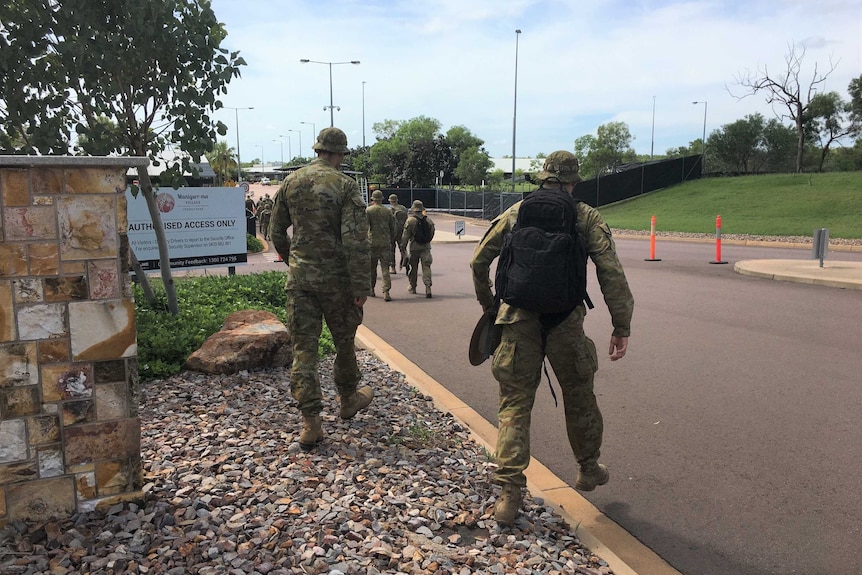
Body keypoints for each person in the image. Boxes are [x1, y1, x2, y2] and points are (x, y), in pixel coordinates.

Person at [469, 150, 634, 525]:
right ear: (574, 181)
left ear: (542, 178)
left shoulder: (516, 212)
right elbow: (611, 273)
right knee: (579, 397)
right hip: (565, 324)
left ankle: (510, 494)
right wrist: (620, 325)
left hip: (516, 323)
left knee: (513, 406)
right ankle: (588, 468)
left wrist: (490, 308)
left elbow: (478, 262)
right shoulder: (585, 216)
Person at [269, 127, 374, 451]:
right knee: (344, 344)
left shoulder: (291, 182)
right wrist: (360, 285)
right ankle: (347, 399)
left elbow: (275, 232)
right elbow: (356, 241)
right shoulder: (344, 186)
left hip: (301, 281)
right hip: (338, 283)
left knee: (304, 351)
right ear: (339, 153)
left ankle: (311, 423)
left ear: (318, 150)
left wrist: (294, 262)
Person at [366, 189, 397, 301]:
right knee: (385, 269)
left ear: (373, 199)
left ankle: (371, 289)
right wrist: (390, 238)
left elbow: (365, 226)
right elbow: (393, 228)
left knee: (371, 268)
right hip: (385, 242)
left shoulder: (369, 210)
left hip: (372, 242)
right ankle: (386, 291)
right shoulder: (388, 211)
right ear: (382, 199)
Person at [400, 199, 435, 298]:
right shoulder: (429, 220)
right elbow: (432, 233)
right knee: (426, 267)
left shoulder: (410, 221)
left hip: (414, 248)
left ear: (414, 210)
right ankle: (428, 287)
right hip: (426, 248)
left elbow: (405, 236)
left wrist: (403, 247)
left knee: (413, 268)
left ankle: (413, 286)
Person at [388, 193, 408, 274]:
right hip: (401, 231)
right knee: (402, 248)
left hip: (392, 232)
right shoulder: (403, 208)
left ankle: (392, 267)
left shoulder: (390, 210)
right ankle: (406, 265)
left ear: (390, 201)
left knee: (391, 250)